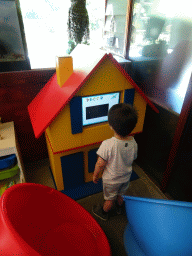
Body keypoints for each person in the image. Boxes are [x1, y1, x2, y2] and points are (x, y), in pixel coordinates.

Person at [92, 103, 138, 221]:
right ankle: (119, 208)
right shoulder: (134, 142)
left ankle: (103, 212)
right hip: (125, 177)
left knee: (109, 198)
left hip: (112, 180)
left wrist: (95, 174)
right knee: (121, 194)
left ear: (111, 125)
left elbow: (100, 164)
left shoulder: (108, 144)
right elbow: (133, 157)